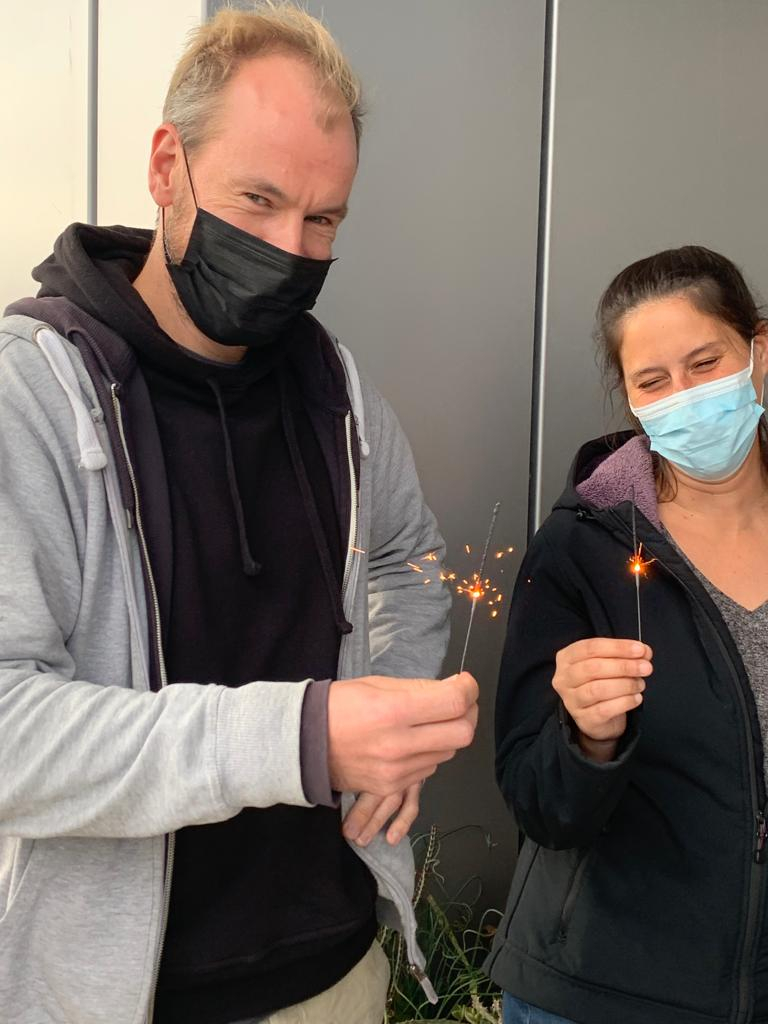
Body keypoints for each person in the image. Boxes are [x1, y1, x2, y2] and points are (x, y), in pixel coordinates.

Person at [0, 4, 479, 1023]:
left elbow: (408, 553)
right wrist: (300, 737)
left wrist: (390, 705)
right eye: (258, 200)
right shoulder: (31, 396)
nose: (287, 249)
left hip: (336, 970)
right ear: (166, 166)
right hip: (120, 996)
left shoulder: (332, 385)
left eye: (323, 220)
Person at [486, 244, 768, 1024]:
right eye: (653, 381)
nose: (686, 397)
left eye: (706, 363)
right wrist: (588, 740)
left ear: (759, 350)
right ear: (629, 397)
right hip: (597, 992)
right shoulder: (580, 549)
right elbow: (538, 803)